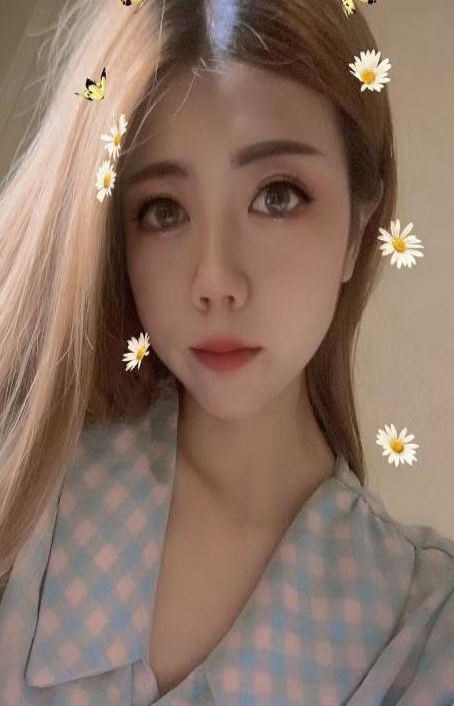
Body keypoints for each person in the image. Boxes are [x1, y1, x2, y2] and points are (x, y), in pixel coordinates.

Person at [0, 0, 452, 704]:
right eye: (164, 210)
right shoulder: (29, 470)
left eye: (278, 196)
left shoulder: (422, 627)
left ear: (359, 231)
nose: (214, 280)